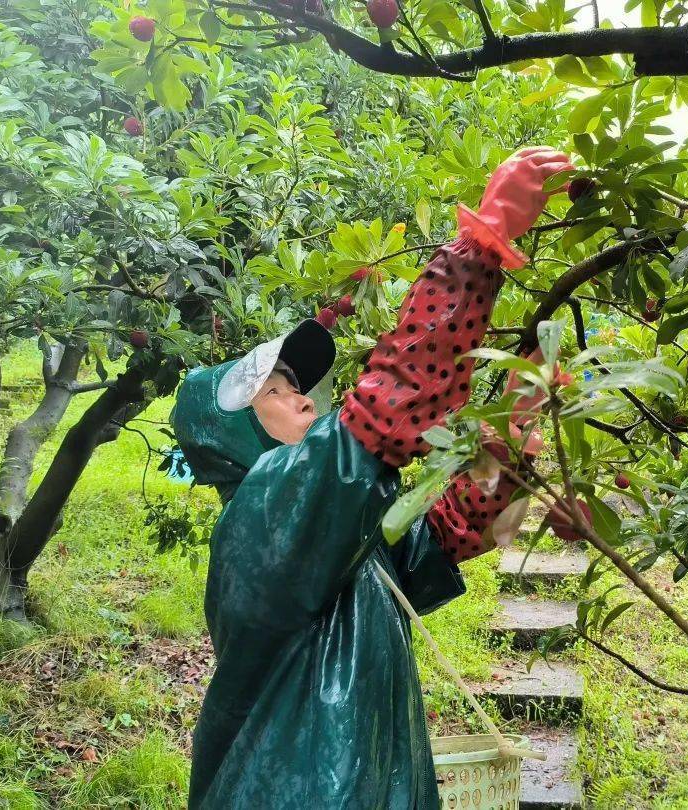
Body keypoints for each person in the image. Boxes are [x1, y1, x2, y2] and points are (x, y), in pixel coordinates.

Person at [170, 147, 572, 809]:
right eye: (273, 393)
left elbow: (442, 537)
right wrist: (481, 246)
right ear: (232, 436)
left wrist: (516, 430)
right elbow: (389, 411)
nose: (303, 399)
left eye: (299, 386)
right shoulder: (262, 519)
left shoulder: (328, 541)